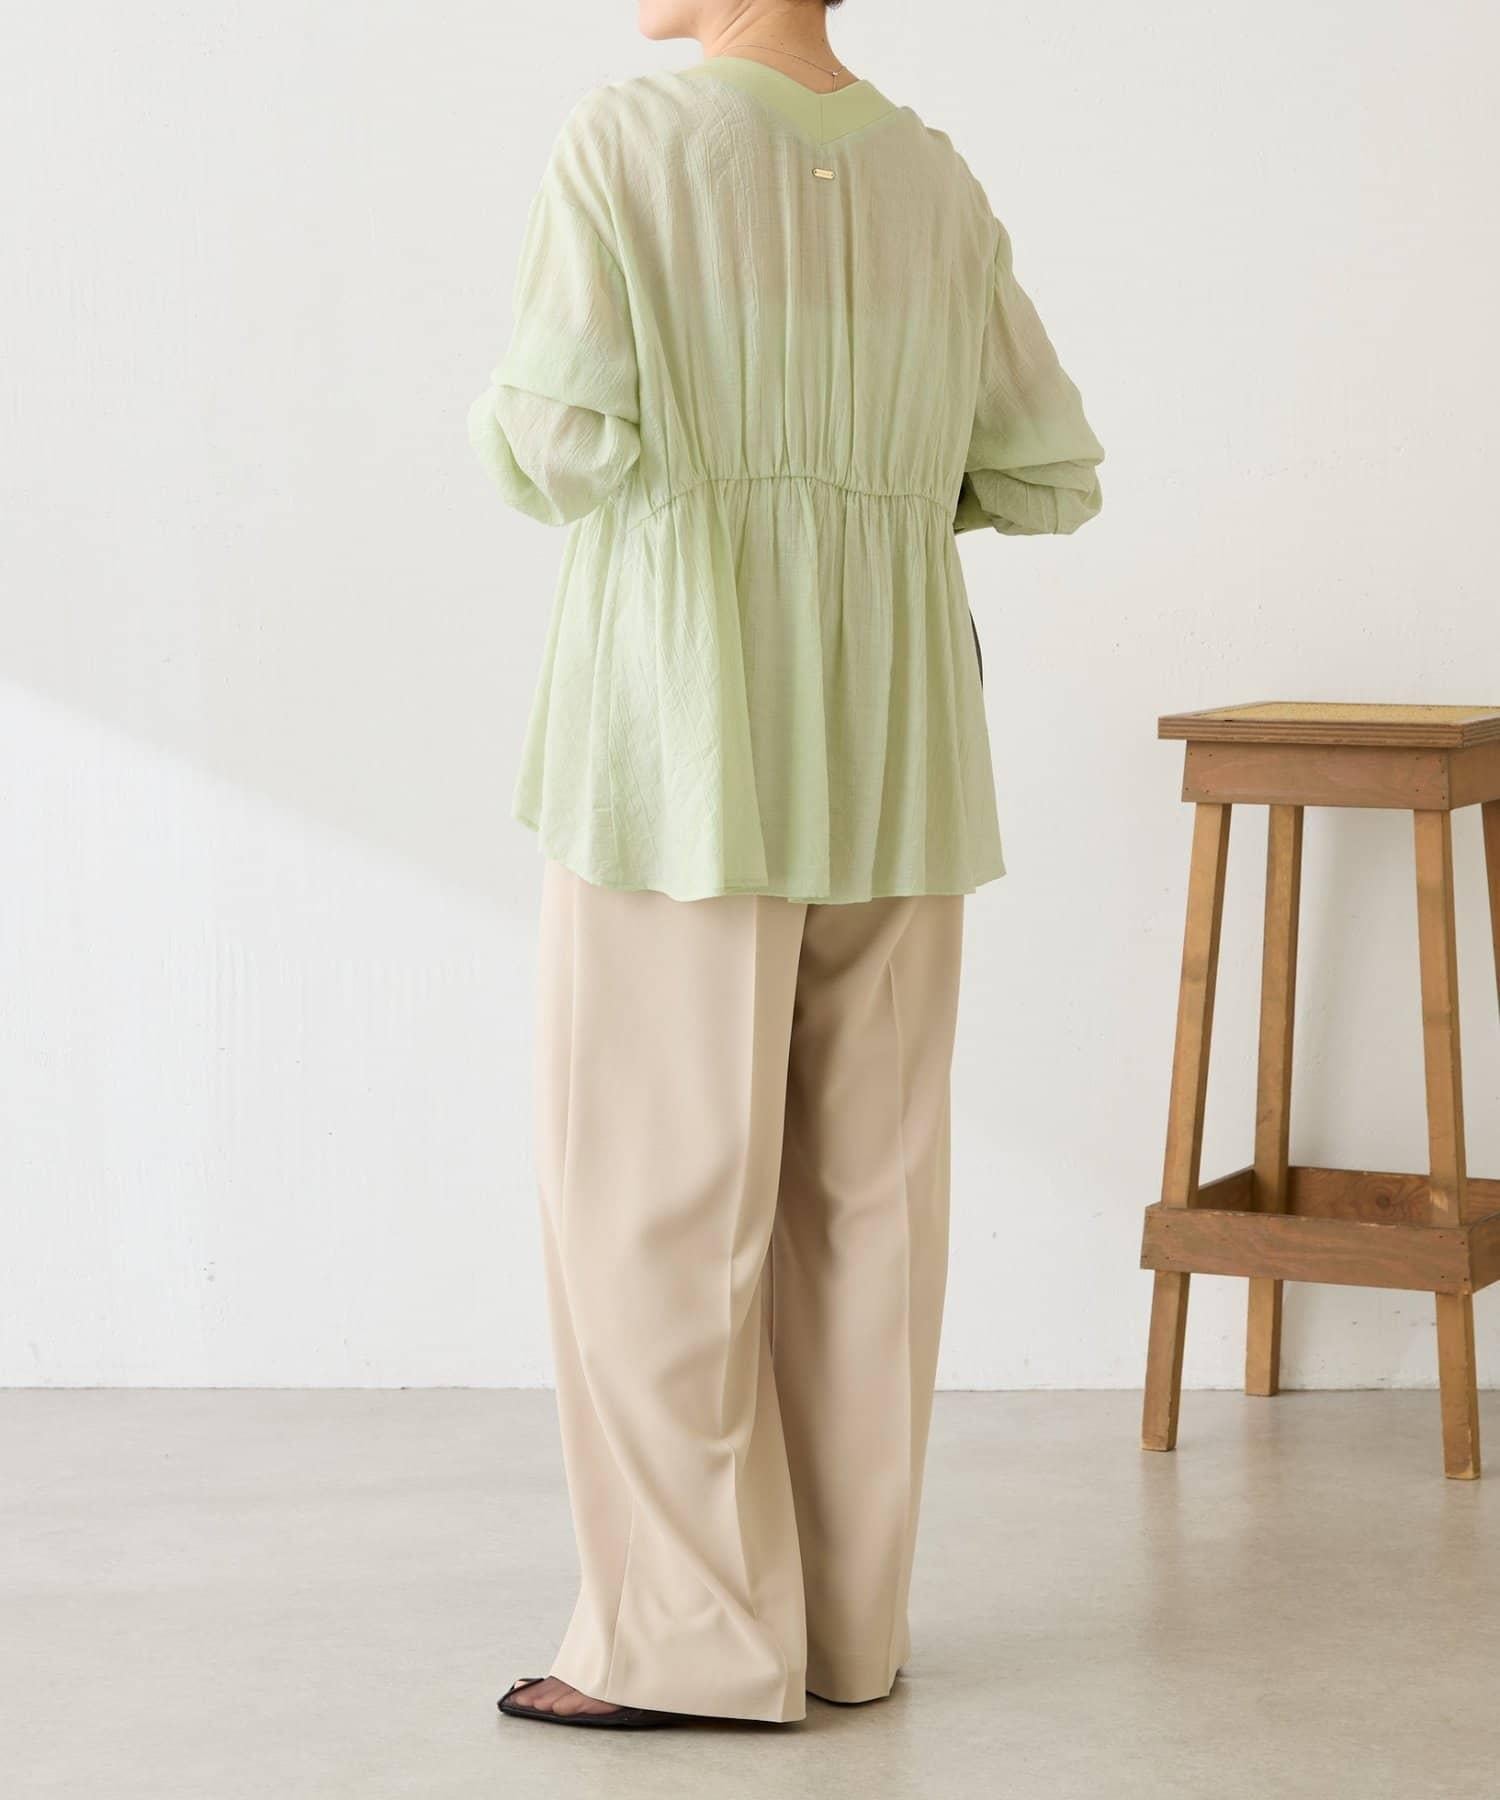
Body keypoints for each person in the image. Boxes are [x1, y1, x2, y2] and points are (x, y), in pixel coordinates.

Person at [469, 0, 1104, 1730]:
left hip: (681, 730)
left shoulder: (627, 141)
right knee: (869, 1202)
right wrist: (867, 494)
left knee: (654, 1194)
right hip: (898, 729)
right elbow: (1041, 470)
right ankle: (844, 1634)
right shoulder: (935, 181)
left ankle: (686, 1643)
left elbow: (559, 439)